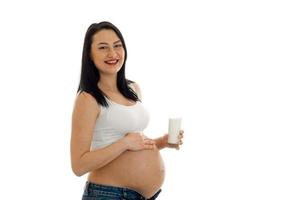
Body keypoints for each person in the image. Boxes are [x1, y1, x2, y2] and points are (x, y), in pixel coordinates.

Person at [70, 21, 184, 200]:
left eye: (117, 46)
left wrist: (161, 143)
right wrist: (124, 143)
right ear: (90, 54)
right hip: (108, 194)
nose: (112, 53)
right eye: (103, 47)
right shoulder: (88, 98)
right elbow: (78, 165)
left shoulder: (133, 89)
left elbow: (133, 143)